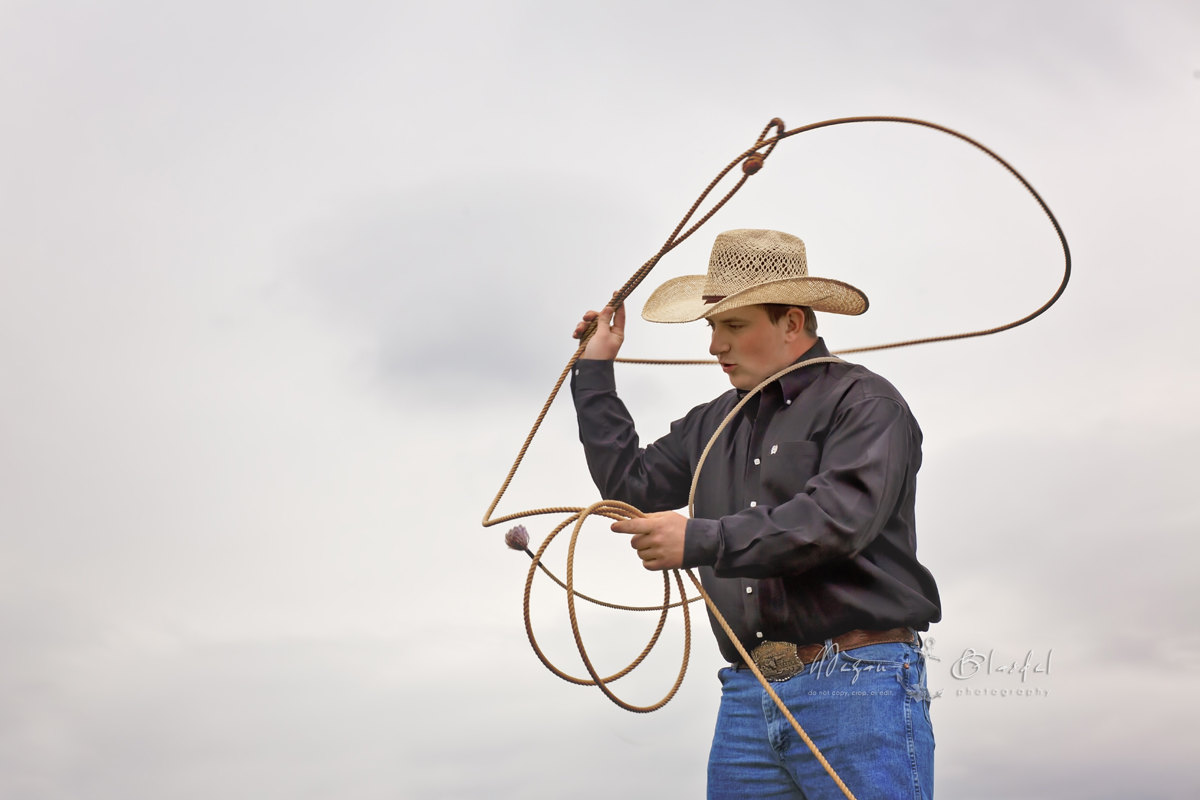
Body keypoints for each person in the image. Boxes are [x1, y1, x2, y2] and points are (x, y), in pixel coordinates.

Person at [569, 229, 941, 799]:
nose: (715, 345)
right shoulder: (714, 421)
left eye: (734, 326)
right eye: (713, 326)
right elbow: (631, 485)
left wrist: (703, 539)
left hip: (857, 682)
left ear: (792, 322)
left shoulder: (866, 404)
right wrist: (596, 368)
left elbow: (837, 519)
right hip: (748, 694)